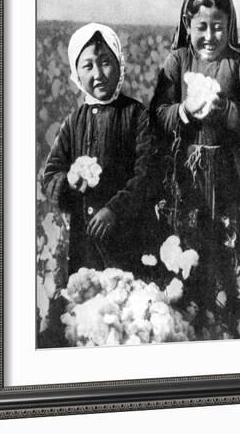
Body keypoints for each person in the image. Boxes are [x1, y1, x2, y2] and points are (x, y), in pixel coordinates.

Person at [150, 0, 240, 336]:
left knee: (236, 252)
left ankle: (238, 322)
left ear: (230, 26)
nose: (210, 36)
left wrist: (225, 108)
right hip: (188, 178)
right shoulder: (176, 62)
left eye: (218, 27)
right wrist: (183, 110)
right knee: (190, 252)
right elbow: (156, 114)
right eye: (201, 27)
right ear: (187, 24)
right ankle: (196, 322)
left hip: (233, 179)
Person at [43, 23, 156, 276]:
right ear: (76, 74)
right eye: (87, 66)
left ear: (119, 64)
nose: (98, 74)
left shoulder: (136, 115)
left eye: (105, 62)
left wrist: (114, 210)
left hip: (128, 239)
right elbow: (50, 175)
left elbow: (147, 174)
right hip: (85, 243)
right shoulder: (74, 121)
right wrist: (69, 181)